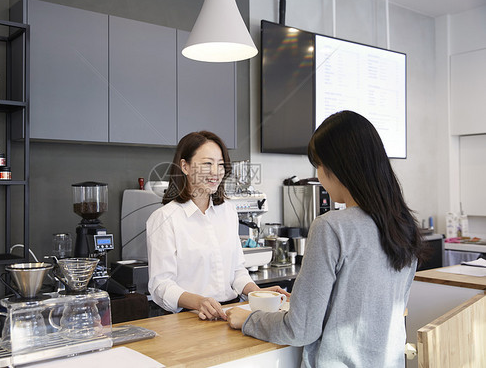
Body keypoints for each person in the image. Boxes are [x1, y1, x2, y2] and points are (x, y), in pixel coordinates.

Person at [226, 111, 428, 367]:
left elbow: (300, 330)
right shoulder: (403, 225)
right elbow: (370, 304)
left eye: (318, 166)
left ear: (339, 167)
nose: (319, 176)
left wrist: (249, 320)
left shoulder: (331, 226)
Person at [146, 131, 289, 321]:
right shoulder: (164, 218)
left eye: (220, 164)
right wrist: (198, 302)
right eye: (207, 164)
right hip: (188, 319)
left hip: (232, 314)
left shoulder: (228, 212)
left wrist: (257, 294)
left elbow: (237, 271)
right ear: (185, 166)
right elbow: (161, 285)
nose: (216, 172)